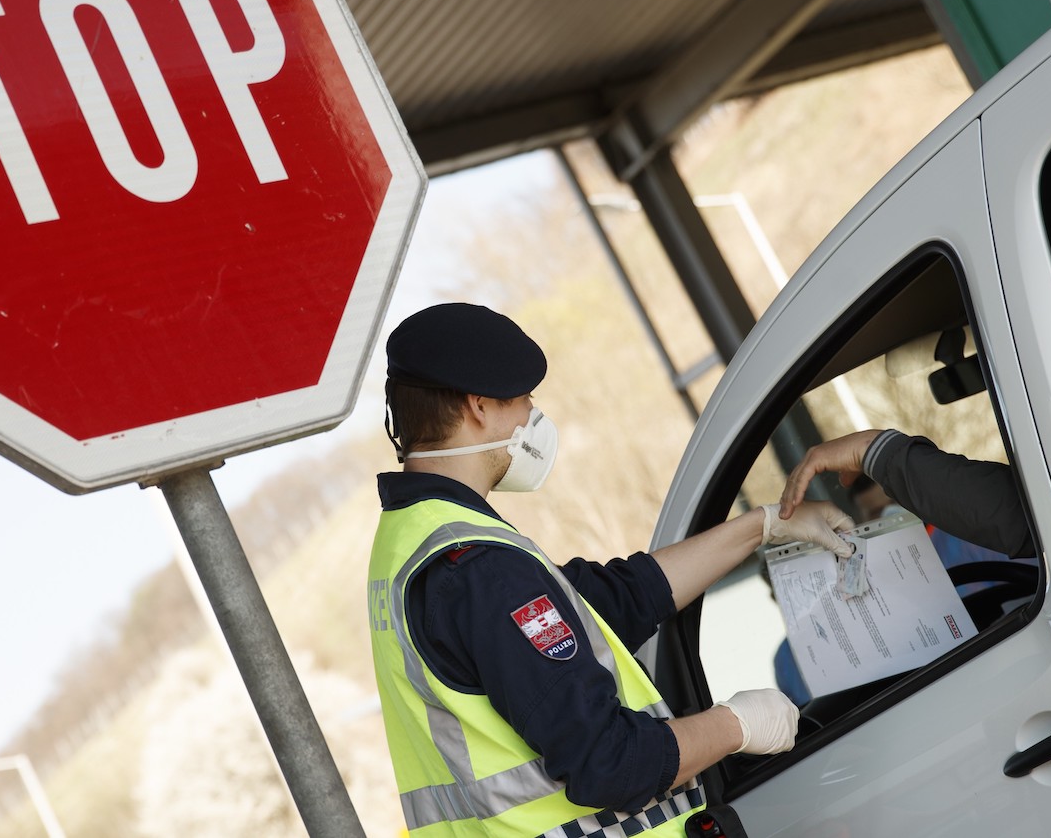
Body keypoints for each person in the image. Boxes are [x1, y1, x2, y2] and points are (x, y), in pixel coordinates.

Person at [366, 303, 856, 838]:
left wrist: (764, 526)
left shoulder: (415, 541)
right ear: (479, 406)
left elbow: (614, 601)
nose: (533, 415)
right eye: (524, 399)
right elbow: (608, 763)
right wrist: (735, 725)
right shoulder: (480, 568)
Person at [778, 428, 1033, 560]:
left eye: (898, 497)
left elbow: (1015, 515)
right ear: (864, 520)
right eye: (878, 512)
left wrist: (874, 451)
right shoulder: (885, 572)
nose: (896, 511)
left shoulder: (969, 535)